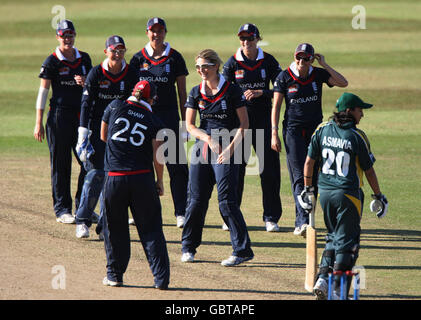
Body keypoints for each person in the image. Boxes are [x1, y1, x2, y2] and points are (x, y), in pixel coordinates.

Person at [298, 92, 388, 299]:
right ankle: (338, 289)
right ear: (349, 111)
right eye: (359, 110)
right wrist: (378, 196)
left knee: (333, 237)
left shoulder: (321, 129)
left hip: (325, 194)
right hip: (349, 196)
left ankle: (322, 278)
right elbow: (369, 171)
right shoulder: (357, 137)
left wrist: (307, 189)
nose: (362, 115)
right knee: (348, 243)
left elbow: (309, 162)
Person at [181, 49, 254, 267]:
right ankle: (188, 246)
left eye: (205, 66)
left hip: (229, 146)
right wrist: (208, 139)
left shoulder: (232, 90)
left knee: (226, 201)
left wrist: (230, 150)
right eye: (198, 67)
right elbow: (190, 125)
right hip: (204, 145)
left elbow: (244, 125)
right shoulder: (195, 92)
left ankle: (242, 250)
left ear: (215, 66)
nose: (201, 71)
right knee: (195, 200)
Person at [271, 43, 348, 236]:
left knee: (313, 176)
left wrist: (325, 64)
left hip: (316, 131)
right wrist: (274, 133)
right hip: (293, 131)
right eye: (299, 57)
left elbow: (343, 83)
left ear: (312, 59)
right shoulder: (284, 76)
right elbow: (277, 107)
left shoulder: (318, 74)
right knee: (299, 174)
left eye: (306, 58)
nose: (301, 61)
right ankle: (302, 222)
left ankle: (309, 219)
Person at [100, 80, 170, 289]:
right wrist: (159, 181)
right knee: (151, 230)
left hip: (114, 177)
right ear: (152, 98)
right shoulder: (155, 120)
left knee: (115, 229)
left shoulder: (113, 106)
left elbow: (104, 136)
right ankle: (161, 279)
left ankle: (114, 275)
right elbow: (159, 156)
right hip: (142, 178)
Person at [75, 35, 139, 239]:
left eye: (121, 50)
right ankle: (83, 220)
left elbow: (135, 104)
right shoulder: (96, 73)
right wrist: (82, 134)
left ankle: (104, 226)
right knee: (95, 174)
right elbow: (86, 104)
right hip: (96, 130)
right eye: (114, 50)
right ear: (106, 52)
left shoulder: (131, 74)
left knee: (113, 179)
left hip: (120, 132)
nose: (117, 54)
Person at [223, 23, 283, 232]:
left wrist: (260, 93)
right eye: (243, 39)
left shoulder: (268, 61)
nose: (246, 42)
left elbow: (280, 87)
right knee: (236, 170)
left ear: (258, 39)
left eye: (250, 38)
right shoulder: (232, 63)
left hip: (264, 120)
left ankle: (271, 217)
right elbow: (224, 91)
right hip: (240, 123)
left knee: (269, 170)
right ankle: (231, 215)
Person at [129, 17, 189, 228]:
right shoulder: (137, 59)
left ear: (165, 32)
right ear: (147, 32)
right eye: (153, 31)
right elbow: (132, 93)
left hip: (169, 115)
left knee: (177, 166)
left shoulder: (175, 58)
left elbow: (182, 93)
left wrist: (185, 125)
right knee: (143, 164)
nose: (156, 34)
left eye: (160, 31)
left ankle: (181, 211)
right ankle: (141, 211)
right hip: (144, 116)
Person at [34, 20, 92, 224]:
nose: (67, 39)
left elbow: (92, 85)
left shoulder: (84, 58)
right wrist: (38, 122)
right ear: (58, 37)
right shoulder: (52, 61)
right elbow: (43, 92)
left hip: (81, 118)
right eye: (64, 36)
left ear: (75, 36)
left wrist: (85, 81)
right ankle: (62, 209)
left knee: (88, 162)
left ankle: (84, 207)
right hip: (58, 117)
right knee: (61, 165)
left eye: (70, 35)